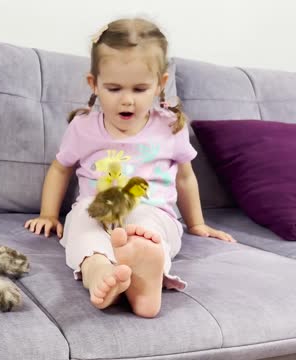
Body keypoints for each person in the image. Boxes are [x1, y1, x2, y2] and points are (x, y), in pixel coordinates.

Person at [24, 18, 236, 318]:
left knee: (145, 230)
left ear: (160, 85)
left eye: (139, 89)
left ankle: (143, 275)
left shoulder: (170, 126)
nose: (127, 100)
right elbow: (60, 168)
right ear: (93, 84)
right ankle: (99, 272)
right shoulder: (84, 127)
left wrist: (197, 224)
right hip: (95, 208)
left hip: (153, 211)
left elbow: (186, 179)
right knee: (82, 227)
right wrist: (48, 214)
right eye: (113, 88)